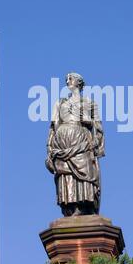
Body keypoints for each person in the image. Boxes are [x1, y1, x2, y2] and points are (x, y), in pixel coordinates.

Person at [45, 72, 105, 216]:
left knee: (84, 172)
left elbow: (98, 127)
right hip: (62, 143)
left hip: (81, 141)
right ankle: (70, 205)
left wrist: (88, 122)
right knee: (66, 173)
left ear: (79, 82)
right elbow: (53, 127)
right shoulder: (60, 103)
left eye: (71, 78)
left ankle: (84, 205)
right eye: (66, 79)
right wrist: (49, 147)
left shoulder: (90, 104)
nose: (67, 81)